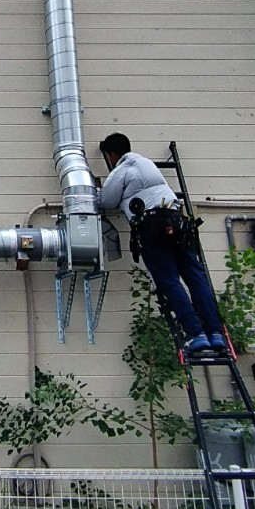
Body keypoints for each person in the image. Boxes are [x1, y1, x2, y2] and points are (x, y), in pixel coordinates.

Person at [95, 132, 226, 360]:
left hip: (152, 226)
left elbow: (106, 201)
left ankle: (195, 333)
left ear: (112, 154)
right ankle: (216, 333)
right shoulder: (147, 164)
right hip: (178, 221)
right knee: (195, 277)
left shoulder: (122, 171)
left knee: (168, 281)